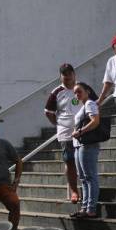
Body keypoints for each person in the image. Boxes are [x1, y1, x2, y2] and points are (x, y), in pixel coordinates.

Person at [44, 63, 80, 203]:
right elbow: (48, 112)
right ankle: (74, 191)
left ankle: (88, 188)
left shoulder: (82, 88)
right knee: (70, 160)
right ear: (61, 76)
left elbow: (93, 104)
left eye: (69, 73)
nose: (67, 77)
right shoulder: (57, 92)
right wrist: (58, 124)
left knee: (83, 161)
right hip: (66, 133)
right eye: (64, 74)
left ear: (74, 74)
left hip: (83, 131)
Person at [70, 82, 102, 219]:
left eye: (79, 91)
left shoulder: (89, 103)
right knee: (83, 178)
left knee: (89, 177)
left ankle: (91, 209)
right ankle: (84, 207)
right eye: (75, 93)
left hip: (87, 144)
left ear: (87, 91)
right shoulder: (83, 105)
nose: (77, 95)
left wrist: (81, 131)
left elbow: (95, 121)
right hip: (79, 144)